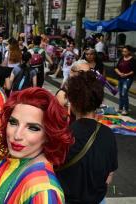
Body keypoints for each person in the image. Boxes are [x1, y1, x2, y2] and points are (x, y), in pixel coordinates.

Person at [56, 71, 118, 204]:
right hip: (98, 199)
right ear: (99, 102)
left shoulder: (63, 135)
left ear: (71, 102)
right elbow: (109, 176)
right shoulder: (108, 134)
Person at [114, 45, 136, 115]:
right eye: (123, 51)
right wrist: (120, 73)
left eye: (125, 51)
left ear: (129, 52)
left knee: (124, 93)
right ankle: (120, 108)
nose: (123, 53)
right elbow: (116, 67)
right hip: (121, 78)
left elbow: (134, 70)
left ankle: (126, 109)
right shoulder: (121, 58)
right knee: (120, 93)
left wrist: (126, 74)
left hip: (128, 79)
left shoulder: (132, 60)